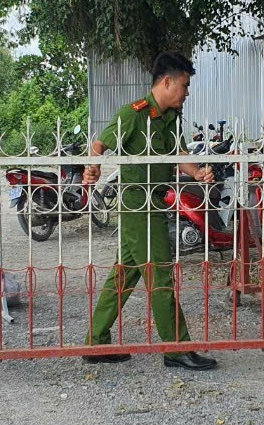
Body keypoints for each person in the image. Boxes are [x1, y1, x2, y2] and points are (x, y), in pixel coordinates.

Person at [81, 51, 218, 371]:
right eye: (184, 85)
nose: (187, 92)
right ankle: (176, 348)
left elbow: (178, 153)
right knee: (160, 275)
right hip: (137, 206)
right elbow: (100, 144)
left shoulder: (172, 118)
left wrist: (196, 173)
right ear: (167, 82)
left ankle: (95, 342)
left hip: (154, 202)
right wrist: (93, 168)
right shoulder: (133, 115)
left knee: (123, 276)